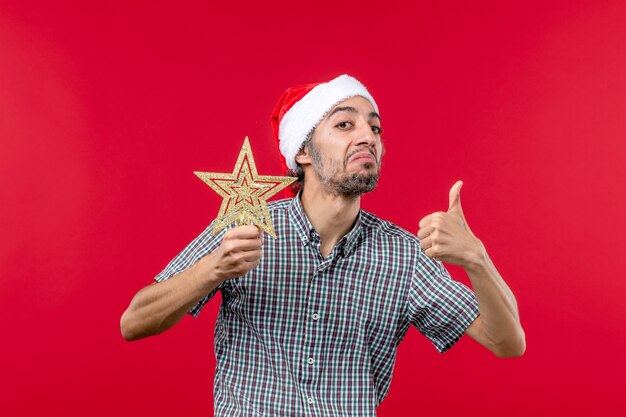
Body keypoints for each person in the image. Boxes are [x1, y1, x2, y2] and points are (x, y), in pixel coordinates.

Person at [120, 74, 525, 416]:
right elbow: (133, 323)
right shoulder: (245, 228)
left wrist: (477, 259)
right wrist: (215, 269)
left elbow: (507, 343)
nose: (368, 135)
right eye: (345, 124)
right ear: (302, 152)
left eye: (375, 127)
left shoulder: (405, 257)